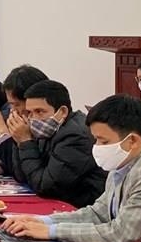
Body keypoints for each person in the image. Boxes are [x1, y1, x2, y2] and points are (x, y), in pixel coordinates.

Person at [2, 95, 141, 242]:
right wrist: (43, 221)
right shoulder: (123, 163)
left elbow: (120, 234)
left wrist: (52, 231)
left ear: (132, 141)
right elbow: (97, 213)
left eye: (103, 141)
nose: (97, 147)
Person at [7, 80, 107, 208]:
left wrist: (26, 142)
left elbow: (46, 187)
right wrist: (19, 142)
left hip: (79, 207)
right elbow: (22, 177)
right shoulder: (49, 129)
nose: (33, 118)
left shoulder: (75, 136)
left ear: (62, 112)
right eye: (30, 113)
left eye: (39, 111)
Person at [0, 64, 48, 179]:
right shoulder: (15, 117)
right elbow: (17, 167)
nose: (13, 110)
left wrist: (3, 132)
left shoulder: (48, 128)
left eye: (16, 104)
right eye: (11, 105)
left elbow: (30, 176)